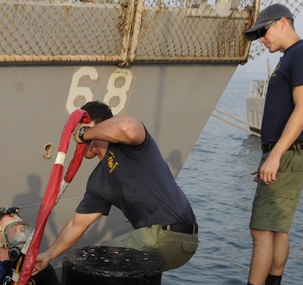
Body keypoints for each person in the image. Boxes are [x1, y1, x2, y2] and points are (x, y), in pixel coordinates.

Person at [205, 4, 303, 285]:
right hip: (285, 153)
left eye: (263, 32)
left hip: (285, 154)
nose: (260, 39)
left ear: (282, 23)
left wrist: (275, 156)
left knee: (261, 230)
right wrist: (272, 153)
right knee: (277, 228)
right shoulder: (294, 56)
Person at [32, 101, 199, 275]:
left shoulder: (129, 146)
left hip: (172, 237)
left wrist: (84, 132)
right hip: (159, 243)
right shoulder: (98, 181)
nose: (76, 138)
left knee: (94, 261)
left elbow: (127, 126)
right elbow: (76, 226)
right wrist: (48, 256)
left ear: (90, 126)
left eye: (78, 129)